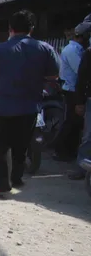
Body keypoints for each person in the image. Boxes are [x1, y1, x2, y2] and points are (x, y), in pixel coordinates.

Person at [0, 10, 60, 197]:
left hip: (1, 107)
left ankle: (3, 185)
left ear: (10, 28)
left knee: (0, 147)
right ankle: (16, 178)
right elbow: (54, 76)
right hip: (29, 107)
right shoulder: (45, 49)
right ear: (31, 28)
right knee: (21, 145)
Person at [55, 24, 87, 162]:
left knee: (76, 123)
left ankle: (70, 150)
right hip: (72, 90)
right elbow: (80, 70)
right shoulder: (72, 50)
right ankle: (60, 150)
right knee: (71, 121)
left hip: (75, 89)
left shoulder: (78, 49)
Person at [68, 16, 91, 180]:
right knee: (88, 136)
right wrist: (80, 102)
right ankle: (82, 168)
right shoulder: (88, 53)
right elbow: (82, 80)